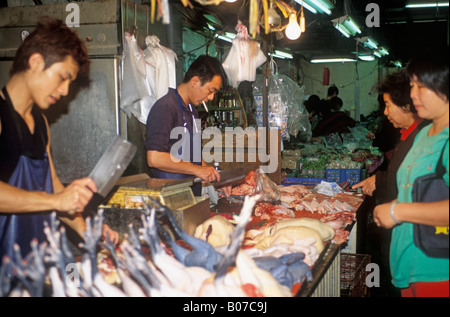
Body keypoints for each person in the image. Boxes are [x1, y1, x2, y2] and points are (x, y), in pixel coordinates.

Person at [0, 18, 118, 261]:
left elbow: (54, 189)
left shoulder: (41, 124)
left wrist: (90, 232)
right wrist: (55, 200)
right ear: (35, 61)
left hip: (41, 258)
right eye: (62, 77)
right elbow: (54, 198)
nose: (65, 91)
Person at [373, 47, 449, 297]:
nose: (413, 93)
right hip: (409, 263)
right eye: (412, 85)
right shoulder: (424, 135)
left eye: (421, 86)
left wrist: (397, 211)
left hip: (438, 270)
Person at [352, 70, 429, 297]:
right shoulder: (408, 134)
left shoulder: (425, 138)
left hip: (415, 247)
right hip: (402, 242)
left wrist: (384, 188)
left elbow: (418, 187)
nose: (385, 112)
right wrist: (380, 179)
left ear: (407, 105)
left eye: (388, 105)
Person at [146, 55, 231, 197]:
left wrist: (216, 178)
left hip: (189, 197)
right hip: (169, 199)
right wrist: (197, 170)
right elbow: (154, 158)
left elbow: (194, 156)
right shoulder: (166, 107)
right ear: (195, 81)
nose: (211, 98)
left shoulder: (192, 112)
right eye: (211, 91)